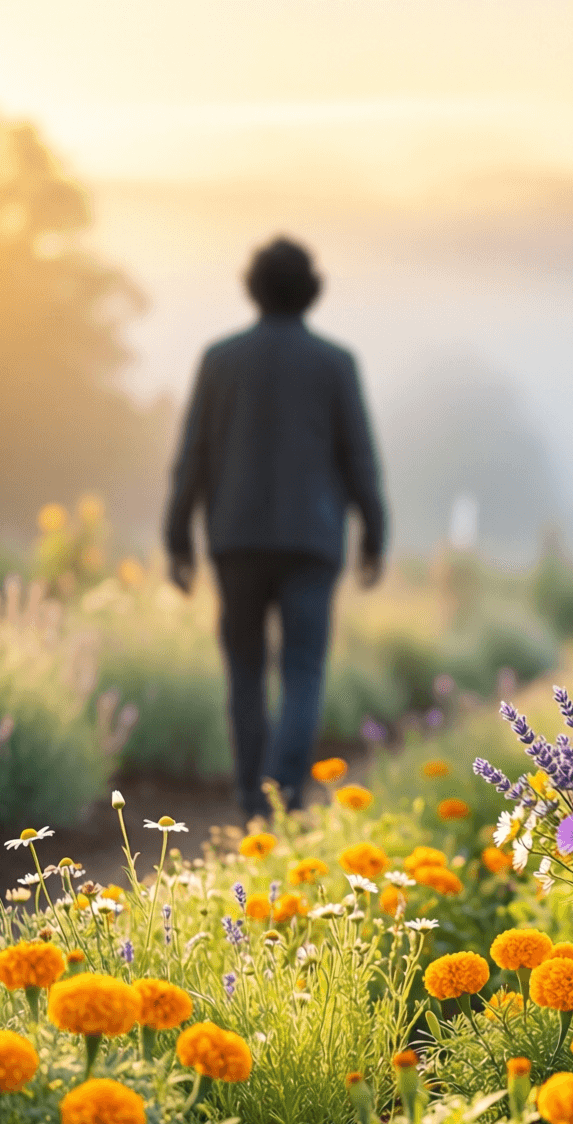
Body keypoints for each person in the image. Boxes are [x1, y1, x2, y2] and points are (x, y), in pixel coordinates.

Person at [164, 237, 386, 816]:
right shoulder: (336, 364)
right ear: (310, 290)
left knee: (244, 668)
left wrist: (177, 537)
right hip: (312, 543)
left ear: (253, 287)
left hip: (235, 539)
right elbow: (359, 459)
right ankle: (283, 791)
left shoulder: (220, 359)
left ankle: (248, 795)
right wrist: (375, 536)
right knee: (303, 668)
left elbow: (193, 456)